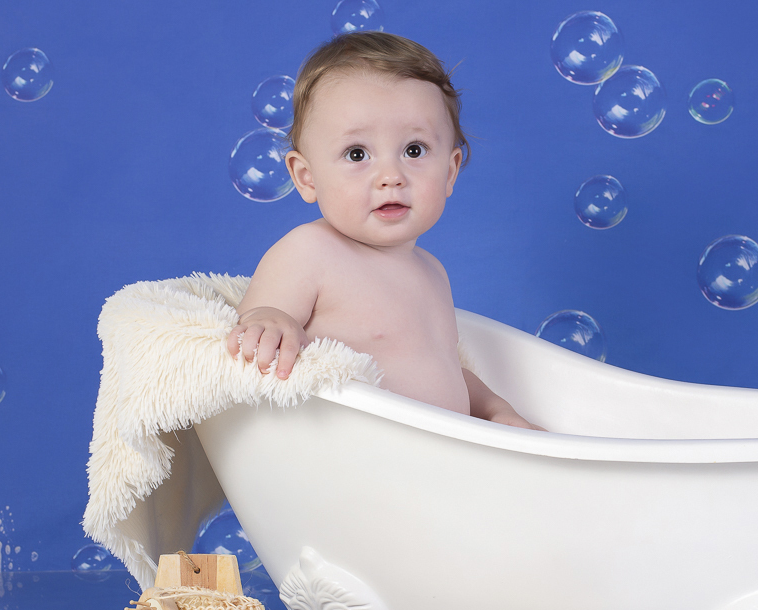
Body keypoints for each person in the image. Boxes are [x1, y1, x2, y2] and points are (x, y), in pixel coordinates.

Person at [227, 31, 541, 430]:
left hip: (442, 455)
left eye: (414, 150)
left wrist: (497, 409)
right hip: (358, 452)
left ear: (450, 172)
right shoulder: (310, 251)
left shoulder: (432, 271)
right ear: (306, 177)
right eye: (357, 153)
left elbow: (444, 370)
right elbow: (256, 322)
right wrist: (270, 320)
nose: (391, 176)